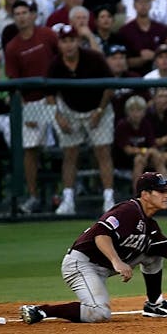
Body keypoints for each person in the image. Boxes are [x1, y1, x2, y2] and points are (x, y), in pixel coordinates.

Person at [18, 172, 167, 324]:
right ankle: (42, 311)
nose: (166, 194)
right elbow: (101, 234)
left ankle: (154, 304)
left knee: (153, 253)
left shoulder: (151, 227)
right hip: (81, 264)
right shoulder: (128, 210)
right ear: (145, 194)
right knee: (100, 313)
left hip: (103, 265)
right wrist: (117, 262)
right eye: (161, 191)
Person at [47, 24, 116, 215]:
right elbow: (49, 93)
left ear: (78, 41)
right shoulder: (56, 64)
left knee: (102, 151)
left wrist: (100, 111)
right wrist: (57, 115)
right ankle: (68, 200)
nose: (68, 45)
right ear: (59, 43)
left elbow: (111, 86)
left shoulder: (93, 58)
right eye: (64, 41)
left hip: (98, 108)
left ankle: (109, 200)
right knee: (70, 154)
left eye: (71, 40)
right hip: (70, 110)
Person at [4, 0, 59, 214]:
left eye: (25, 12)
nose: (21, 16)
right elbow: (14, 83)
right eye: (17, 13)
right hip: (30, 103)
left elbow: (61, 60)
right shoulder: (12, 47)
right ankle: (33, 195)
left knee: (60, 149)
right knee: (30, 150)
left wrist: (54, 96)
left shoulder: (47, 35)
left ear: (32, 14)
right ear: (14, 17)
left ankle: (61, 194)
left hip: (53, 99)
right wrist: (27, 110)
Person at [114, 95, 167, 187]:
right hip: (124, 161)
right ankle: (137, 195)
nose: (136, 114)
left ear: (144, 112)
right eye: (132, 110)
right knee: (139, 159)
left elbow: (152, 145)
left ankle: (165, 186)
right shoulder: (122, 125)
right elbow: (128, 150)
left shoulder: (146, 124)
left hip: (145, 157)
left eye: (139, 110)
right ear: (127, 112)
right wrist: (145, 151)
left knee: (157, 156)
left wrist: (149, 152)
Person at [118, 0, 167, 76]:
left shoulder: (161, 29)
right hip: (134, 77)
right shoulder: (125, 31)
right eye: (140, 2)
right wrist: (141, 59)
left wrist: (155, 56)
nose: (143, 5)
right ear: (134, 5)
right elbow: (123, 61)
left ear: (150, 4)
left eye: (146, 2)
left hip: (159, 76)